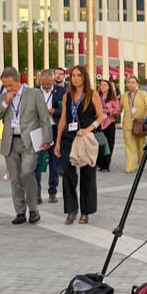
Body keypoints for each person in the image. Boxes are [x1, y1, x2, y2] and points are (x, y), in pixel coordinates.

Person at [0, 67, 53, 225]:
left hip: (30, 141)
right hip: (10, 142)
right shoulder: (3, 97)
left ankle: (33, 209)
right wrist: (5, 103)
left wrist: (47, 139)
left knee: (27, 173)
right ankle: (19, 211)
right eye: (5, 85)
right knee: (15, 178)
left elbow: (44, 118)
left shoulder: (34, 94)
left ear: (18, 81)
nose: (8, 88)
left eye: (10, 85)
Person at [56, 65, 104, 225]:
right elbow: (63, 119)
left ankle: (86, 211)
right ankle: (71, 209)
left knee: (88, 174)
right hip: (69, 138)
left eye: (78, 75)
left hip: (87, 138)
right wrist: (57, 142)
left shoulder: (92, 95)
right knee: (68, 174)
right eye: (73, 75)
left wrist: (88, 129)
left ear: (84, 77)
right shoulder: (67, 96)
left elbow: (101, 117)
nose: (75, 78)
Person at [35, 70, 67, 203]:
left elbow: (67, 109)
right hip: (38, 129)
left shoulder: (61, 91)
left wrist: (56, 111)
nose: (46, 86)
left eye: (48, 84)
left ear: (53, 81)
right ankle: (37, 193)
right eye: (43, 84)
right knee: (36, 162)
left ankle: (52, 191)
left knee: (54, 161)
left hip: (54, 128)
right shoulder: (35, 91)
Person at [120, 75, 147, 173]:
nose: (131, 84)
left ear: (137, 84)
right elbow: (120, 108)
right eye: (129, 82)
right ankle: (130, 166)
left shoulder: (143, 94)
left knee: (141, 146)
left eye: (133, 82)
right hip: (128, 124)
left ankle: (140, 163)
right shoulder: (124, 95)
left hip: (140, 124)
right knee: (129, 146)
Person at [97, 79, 121, 172]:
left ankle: (106, 165)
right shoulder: (97, 97)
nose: (102, 86)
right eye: (101, 85)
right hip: (99, 123)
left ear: (109, 87)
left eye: (105, 85)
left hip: (109, 123)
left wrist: (109, 111)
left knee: (108, 144)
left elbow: (118, 111)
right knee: (99, 144)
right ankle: (99, 163)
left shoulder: (113, 99)